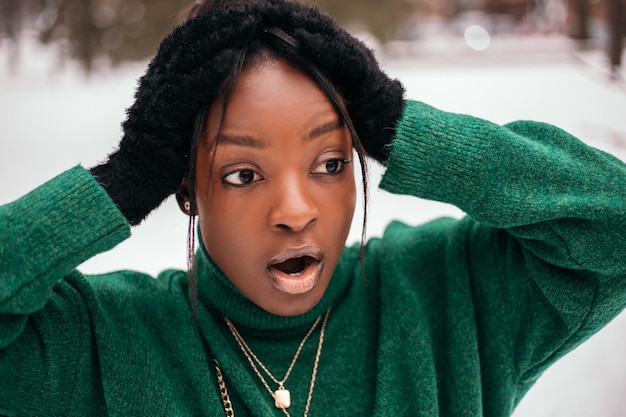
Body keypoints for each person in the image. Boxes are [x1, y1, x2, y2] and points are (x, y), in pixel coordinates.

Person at [1, 0, 625, 416]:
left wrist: (404, 126)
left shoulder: (446, 293)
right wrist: (120, 183)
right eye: (243, 173)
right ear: (182, 186)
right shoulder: (99, 339)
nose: (296, 211)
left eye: (330, 164)